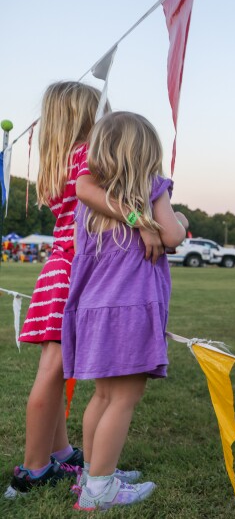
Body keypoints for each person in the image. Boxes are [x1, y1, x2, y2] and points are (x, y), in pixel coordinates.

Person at [5, 83, 161, 500]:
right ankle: (33, 470)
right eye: (101, 115)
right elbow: (95, 193)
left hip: (59, 269)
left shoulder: (56, 160)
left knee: (56, 370)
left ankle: (60, 454)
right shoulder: (83, 158)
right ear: (85, 117)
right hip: (74, 271)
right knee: (52, 370)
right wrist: (141, 218)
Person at [63, 111, 188, 510]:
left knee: (101, 396)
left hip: (93, 309)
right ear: (146, 153)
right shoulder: (152, 189)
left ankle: (92, 474)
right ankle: (100, 490)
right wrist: (181, 218)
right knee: (124, 398)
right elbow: (172, 236)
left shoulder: (91, 201)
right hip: (129, 309)